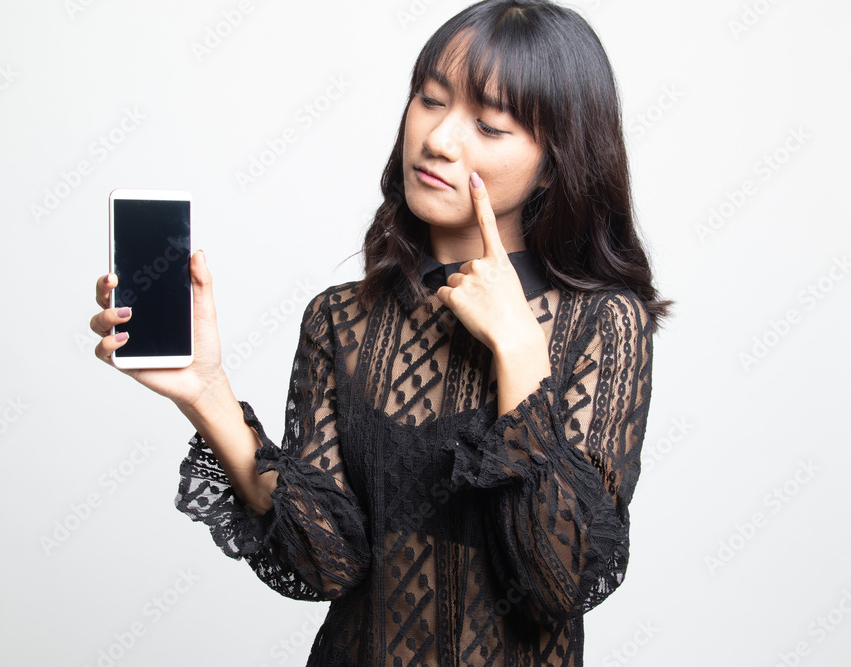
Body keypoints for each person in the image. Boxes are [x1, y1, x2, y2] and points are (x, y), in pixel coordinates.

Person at [89, 0, 670, 664]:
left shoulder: (603, 323)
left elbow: (558, 583)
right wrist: (206, 391)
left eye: (489, 124)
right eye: (431, 100)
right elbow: (327, 563)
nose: (439, 139)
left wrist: (518, 352)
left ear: (555, 161)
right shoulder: (339, 319)